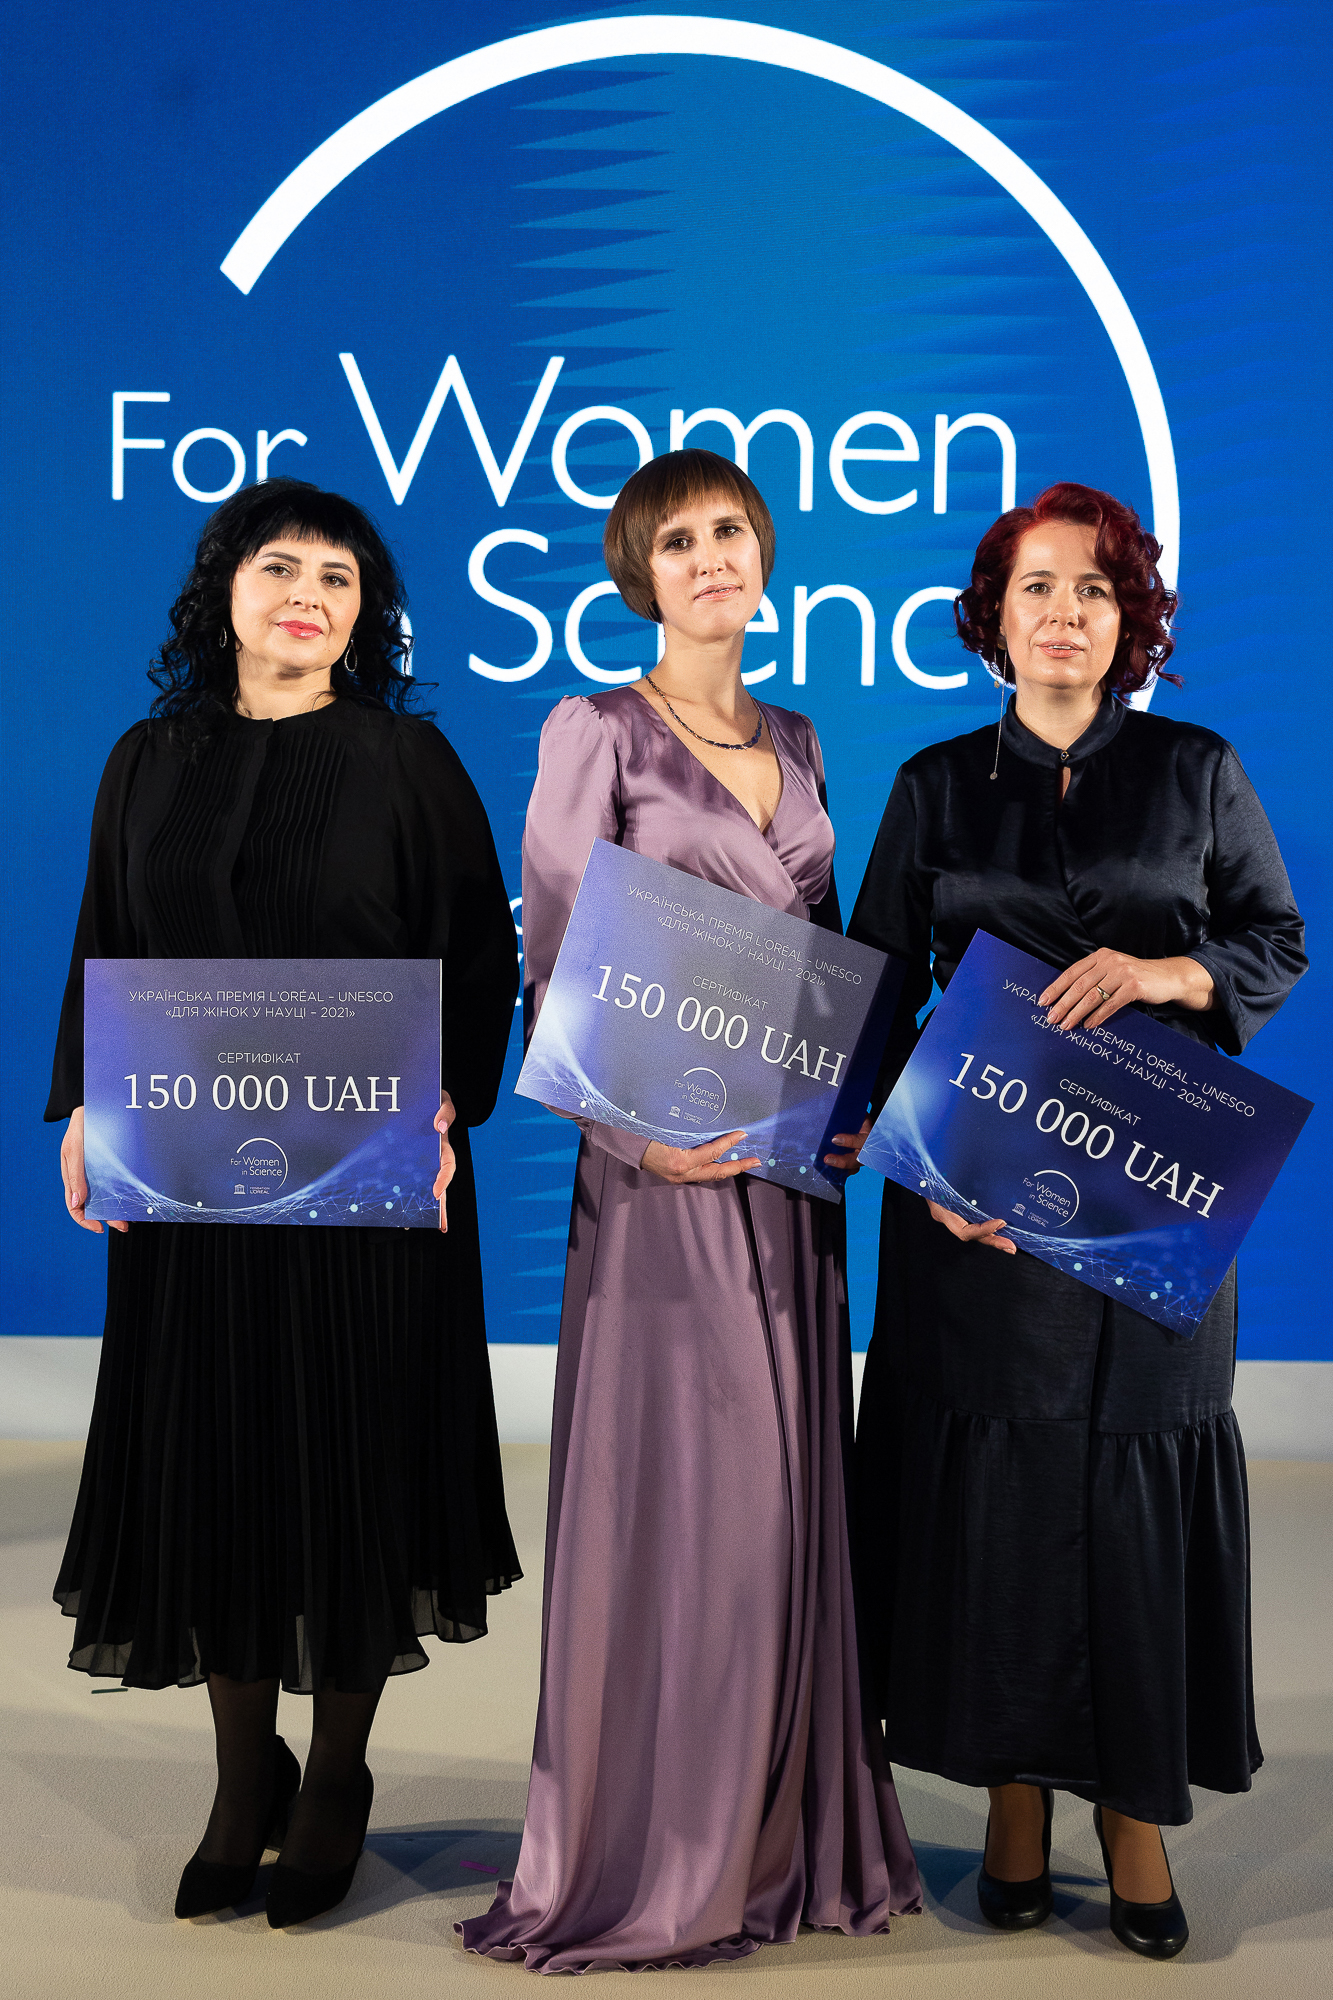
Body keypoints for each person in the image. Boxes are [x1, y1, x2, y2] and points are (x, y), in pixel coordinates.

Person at [458, 449, 920, 1972]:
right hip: (658, 1177)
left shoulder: (799, 735)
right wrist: (631, 1137)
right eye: (678, 541)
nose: (711, 557)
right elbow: (550, 956)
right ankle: (659, 1847)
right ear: (638, 574)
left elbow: (820, 956)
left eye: (730, 531)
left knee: (788, 1494)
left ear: (764, 555)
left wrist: (855, 1105)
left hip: (789, 1183)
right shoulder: (594, 729)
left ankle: (783, 1833)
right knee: (693, 1500)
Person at [49, 478, 521, 1928]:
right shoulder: (146, 758)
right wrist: (83, 1109)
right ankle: (243, 1777)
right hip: (190, 1187)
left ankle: (338, 1778)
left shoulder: (408, 759)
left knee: (349, 1462)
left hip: (369, 1184)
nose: (307, 593)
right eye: (279, 567)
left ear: (365, 615)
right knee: (214, 1462)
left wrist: (450, 1104)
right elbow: (105, 939)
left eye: (338, 576)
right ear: (226, 592)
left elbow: (479, 956)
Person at [846, 482, 1306, 1959]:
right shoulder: (933, 782)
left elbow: (1274, 938)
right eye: (1036, 587)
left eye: (1094, 590)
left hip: (1149, 1199)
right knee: (996, 1502)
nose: (1063, 613)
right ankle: (1011, 1798)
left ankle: (1132, 1815)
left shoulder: (1196, 769)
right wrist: (923, 1166)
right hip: (971, 1218)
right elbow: (875, 983)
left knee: (1129, 1495)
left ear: (1130, 622)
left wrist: (1167, 975)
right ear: (994, 615)